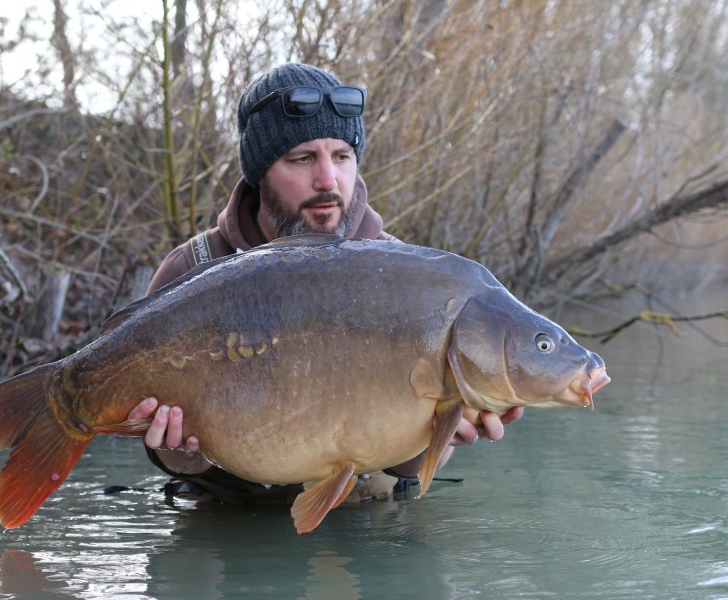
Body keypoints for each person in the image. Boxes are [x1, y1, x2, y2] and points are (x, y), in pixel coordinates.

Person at [126, 63, 523, 504]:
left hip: (367, 525)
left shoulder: (405, 277)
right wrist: (176, 452)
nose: (329, 181)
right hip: (230, 520)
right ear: (261, 173)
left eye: (342, 157)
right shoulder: (191, 272)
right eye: (302, 158)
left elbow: (408, 466)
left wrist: (446, 436)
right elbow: (159, 443)